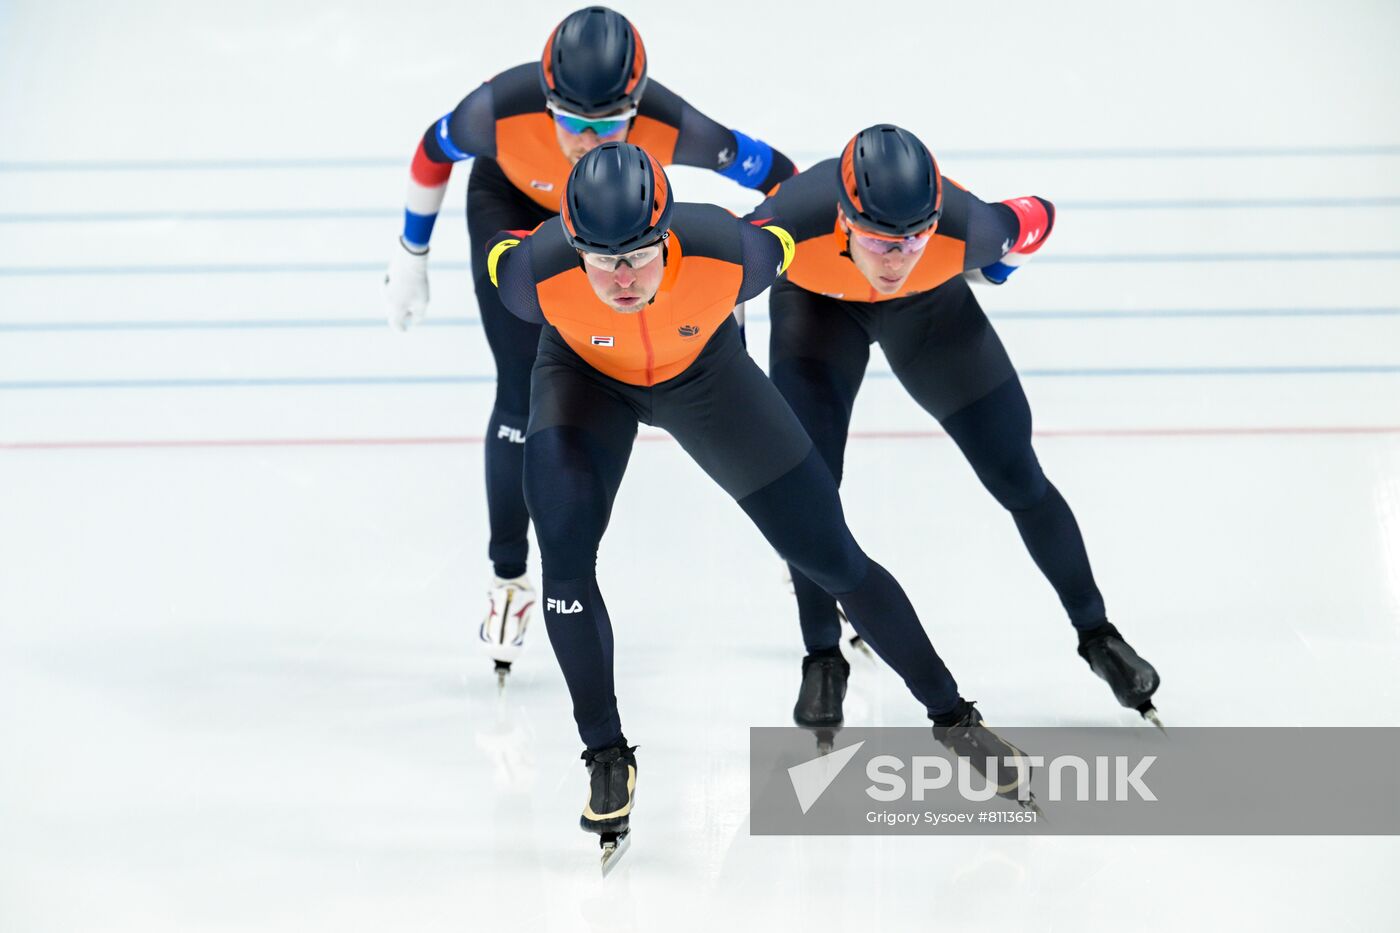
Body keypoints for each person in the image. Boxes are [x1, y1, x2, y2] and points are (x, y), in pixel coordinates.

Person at [487, 141, 1027, 867]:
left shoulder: (735, 252)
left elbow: (804, 225)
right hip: (585, 383)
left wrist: (989, 247)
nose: (623, 277)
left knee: (833, 556)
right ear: (573, 245)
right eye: (602, 258)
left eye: (640, 254)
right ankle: (606, 753)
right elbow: (500, 247)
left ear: (668, 232)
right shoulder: (532, 275)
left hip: (706, 379)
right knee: (567, 558)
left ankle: (955, 717)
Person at [381, 7, 795, 683]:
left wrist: (749, 270)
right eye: (570, 121)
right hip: (517, 215)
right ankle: (509, 579)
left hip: (629, 231)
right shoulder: (496, 111)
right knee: (520, 392)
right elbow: (433, 151)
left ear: (637, 107)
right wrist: (410, 252)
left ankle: (799, 549)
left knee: (728, 387)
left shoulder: (675, 125)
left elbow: (780, 179)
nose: (587, 138)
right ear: (545, 102)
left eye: (608, 123)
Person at [746, 124, 1162, 729]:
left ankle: (1098, 634)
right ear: (842, 220)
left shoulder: (972, 229)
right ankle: (823, 656)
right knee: (809, 495)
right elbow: (718, 272)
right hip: (816, 310)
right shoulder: (789, 220)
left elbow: (1037, 217)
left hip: (930, 310)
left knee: (1017, 475)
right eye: (879, 241)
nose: (894, 259)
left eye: (913, 240)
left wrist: (996, 272)